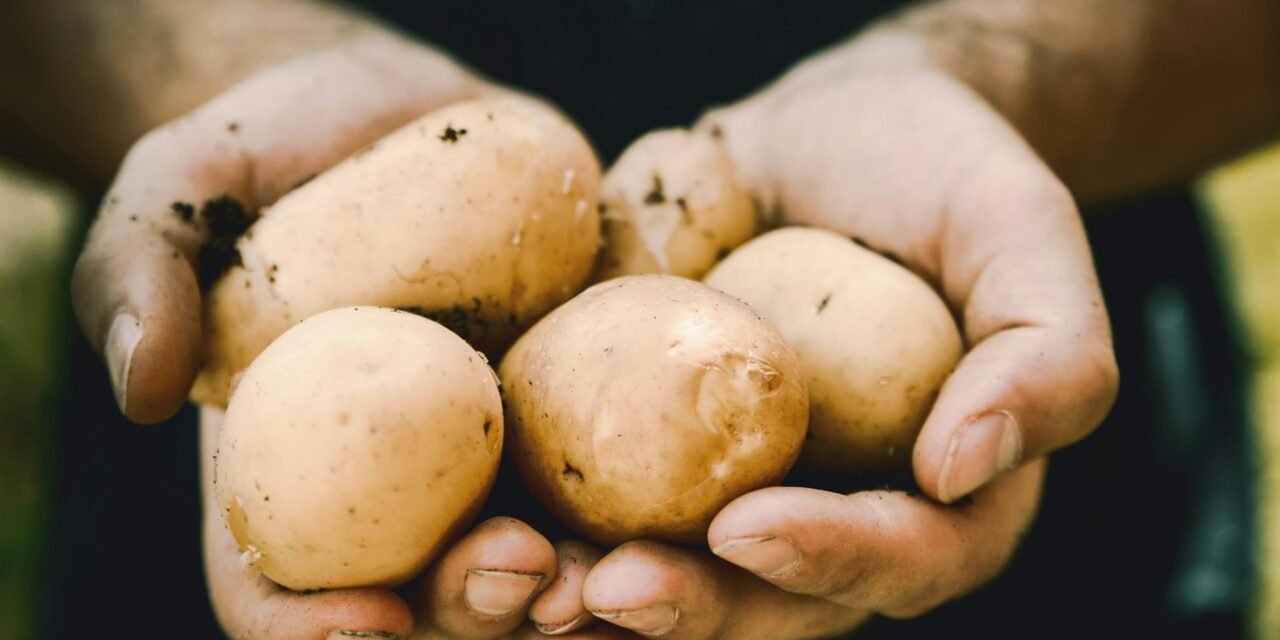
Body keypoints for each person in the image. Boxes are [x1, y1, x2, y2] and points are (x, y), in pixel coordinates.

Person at [2, 0, 1274, 638]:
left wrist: (984, 79)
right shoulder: (276, 337)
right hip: (217, 441)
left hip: (1008, 356)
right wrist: (212, 81)